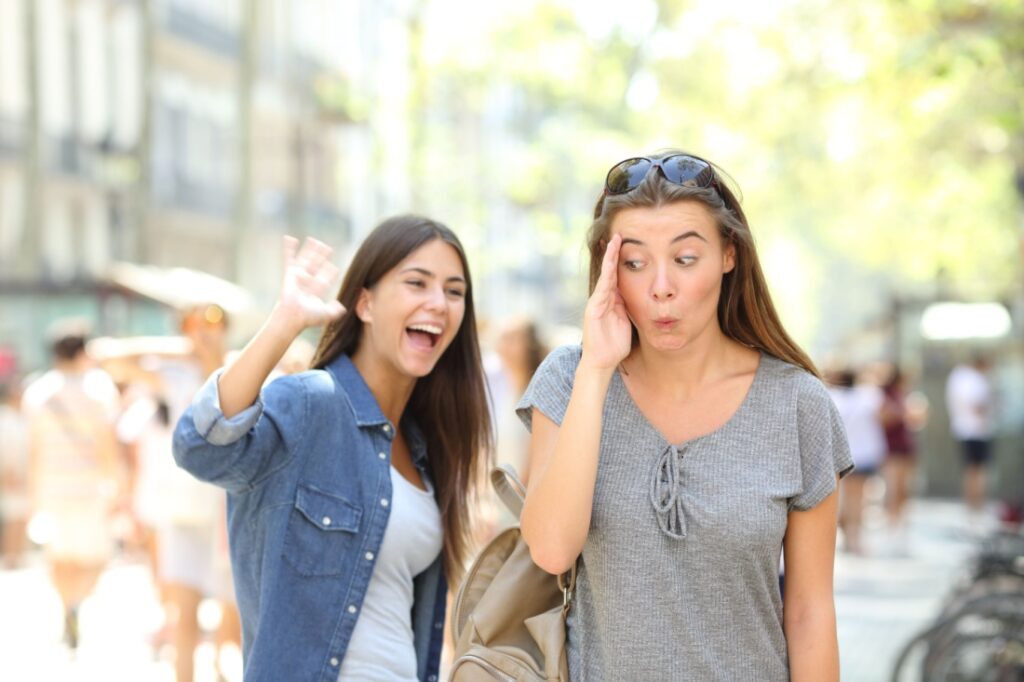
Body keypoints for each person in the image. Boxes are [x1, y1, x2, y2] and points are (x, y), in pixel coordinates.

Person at [516, 152, 853, 681]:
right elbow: (552, 549)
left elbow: (810, 614)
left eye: (686, 258)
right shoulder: (570, 380)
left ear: (728, 255)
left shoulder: (797, 405)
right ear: (609, 269)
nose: (660, 287)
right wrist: (596, 370)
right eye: (634, 262)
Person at [172, 215, 492, 681]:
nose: (438, 303)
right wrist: (282, 325)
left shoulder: (426, 448)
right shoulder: (311, 404)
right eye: (417, 283)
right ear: (364, 303)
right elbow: (199, 446)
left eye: (454, 291)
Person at [22, 322, 121, 650]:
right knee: (96, 557)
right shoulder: (100, 390)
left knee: (60, 557)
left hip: (51, 486)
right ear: (82, 351)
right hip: (91, 487)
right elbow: (108, 445)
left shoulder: (36, 392)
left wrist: (32, 495)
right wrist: (117, 486)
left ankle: (67, 606)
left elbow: (33, 450)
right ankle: (76, 604)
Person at [827, 368, 886, 555]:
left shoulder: (832, 397)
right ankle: (854, 539)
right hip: (864, 454)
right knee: (858, 500)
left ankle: (846, 538)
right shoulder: (868, 396)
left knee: (842, 499)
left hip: (838, 455)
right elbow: (885, 417)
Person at [945, 354, 996, 521]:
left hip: (965, 430)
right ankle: (976, 506)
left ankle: (972, 507)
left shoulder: (958, 378)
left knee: (971, 470)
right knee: (977, 471)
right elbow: (977, 405)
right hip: (976, 430)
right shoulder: (972, 379)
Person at [880, 366, 926, 538]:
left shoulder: (906, 396)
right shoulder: (887, 396)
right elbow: (884, 419)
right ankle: (891, 523)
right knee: (894, 487)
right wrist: (901, 413)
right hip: (892, 448)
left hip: (906, 448)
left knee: (905, 488)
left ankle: (901, 522)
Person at [0, 376, 30, 569]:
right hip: (10, 474)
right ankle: (10, 556)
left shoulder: (22, 417)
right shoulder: (5, 418)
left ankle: (17, 555)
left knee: (21, 516)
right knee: (12, 517)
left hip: (24, 473)